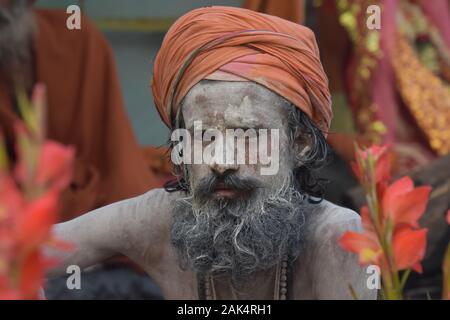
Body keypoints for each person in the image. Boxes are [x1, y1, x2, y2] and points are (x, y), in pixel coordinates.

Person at [46, 6, 377, 300]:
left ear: (300, 142)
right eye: (203, 136)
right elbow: (22, 256)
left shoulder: (337, 239)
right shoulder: (160, 220)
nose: (221, 161)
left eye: (248, 134)